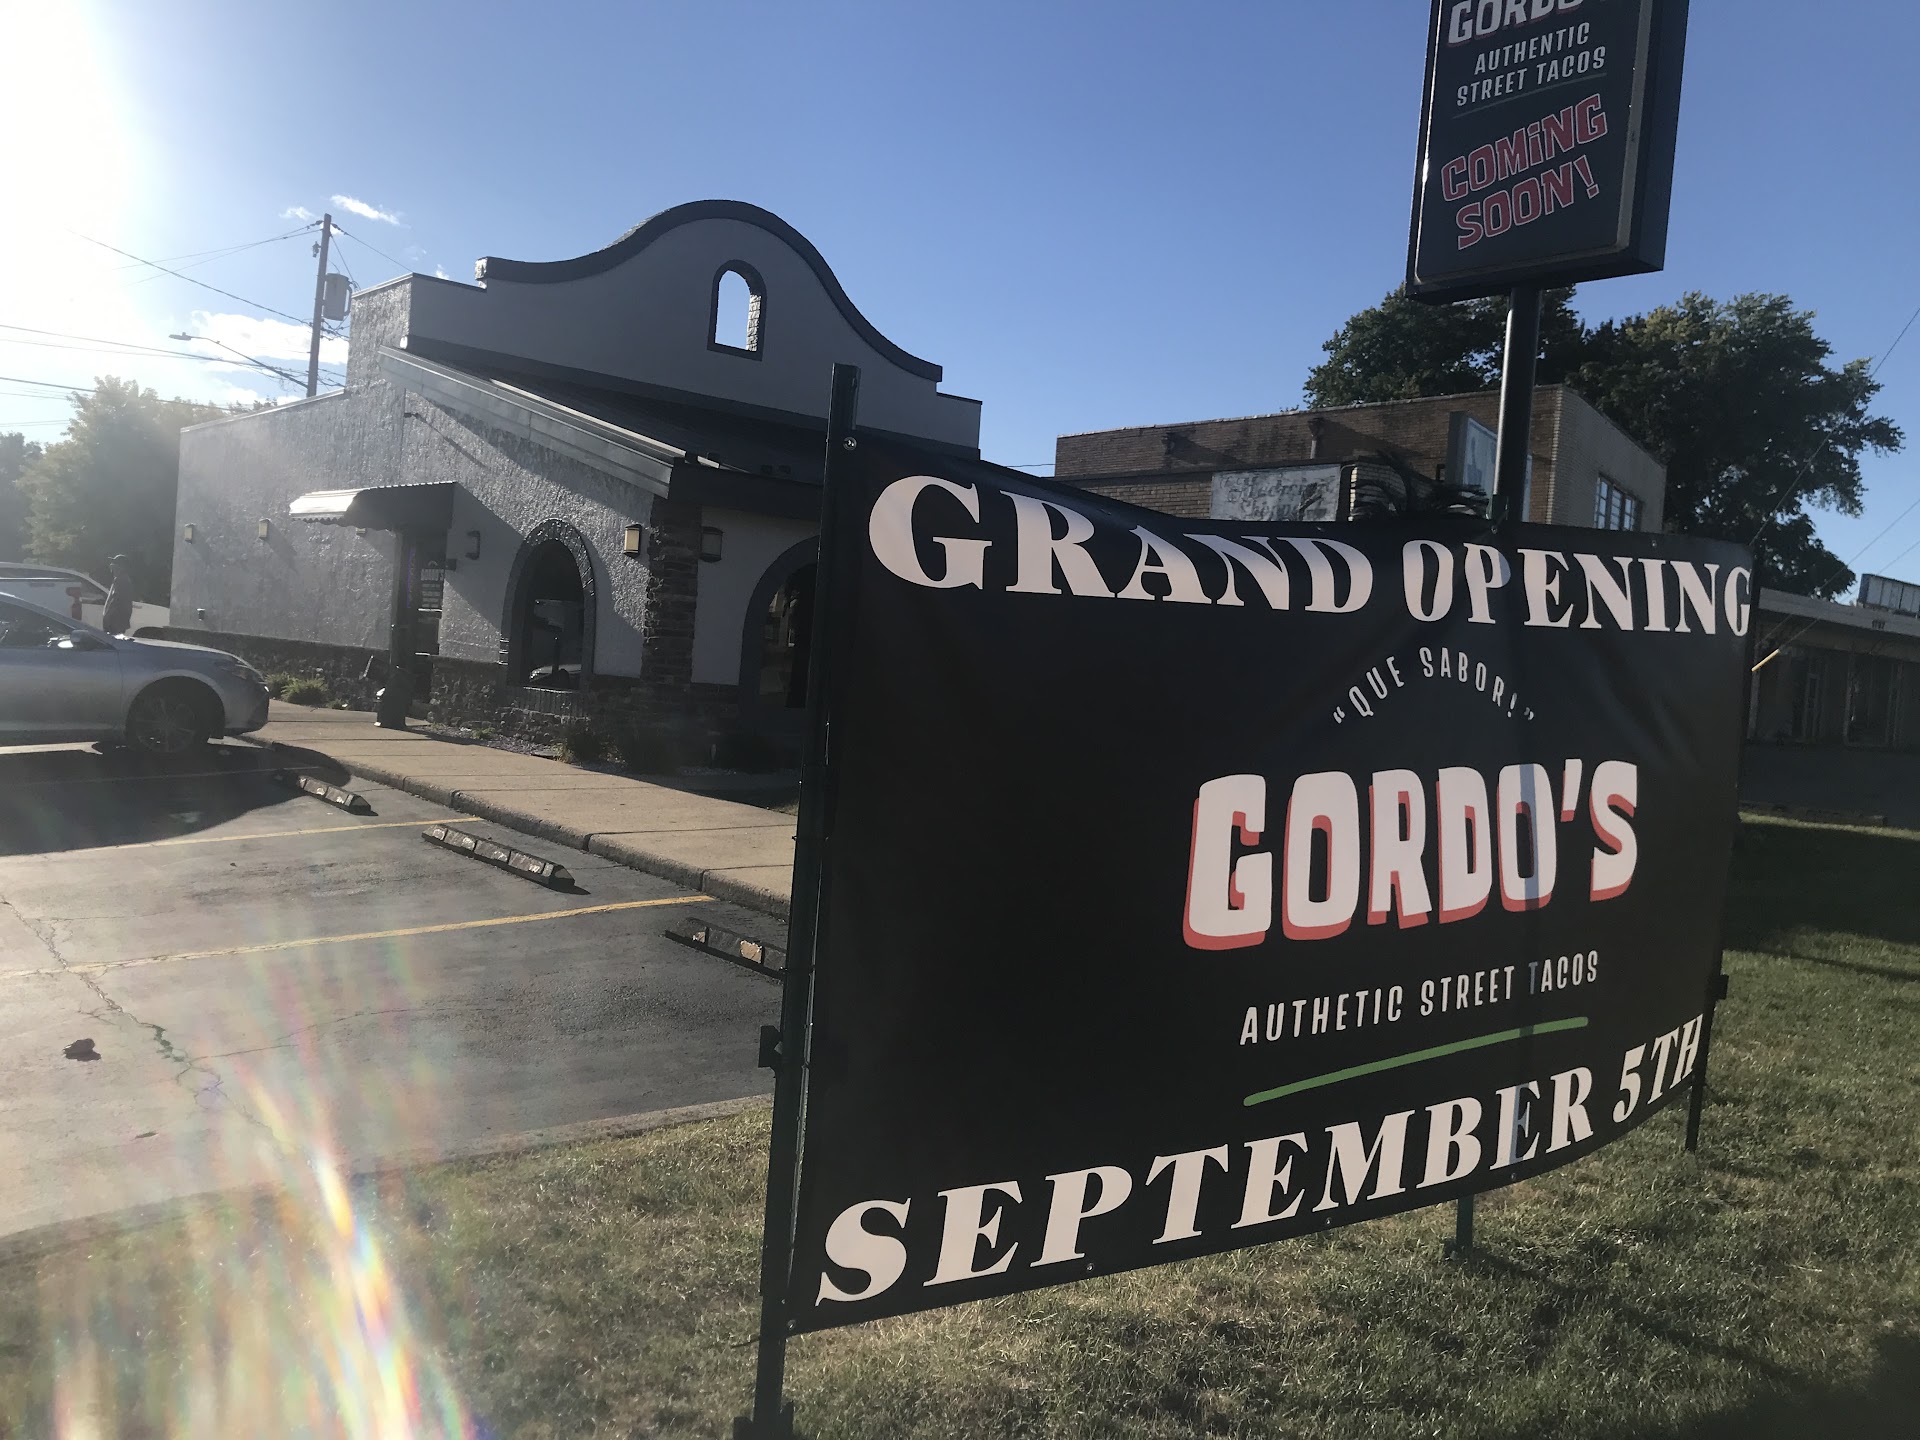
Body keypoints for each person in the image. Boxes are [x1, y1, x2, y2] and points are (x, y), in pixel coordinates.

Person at [100, 554, 134, 635]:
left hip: (116, 623)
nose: (111, 567)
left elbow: (117, 602)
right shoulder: (119, 579)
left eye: (114, 565)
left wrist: (108, 619)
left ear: (121, 567)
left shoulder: (122, 581)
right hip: (115, 622)